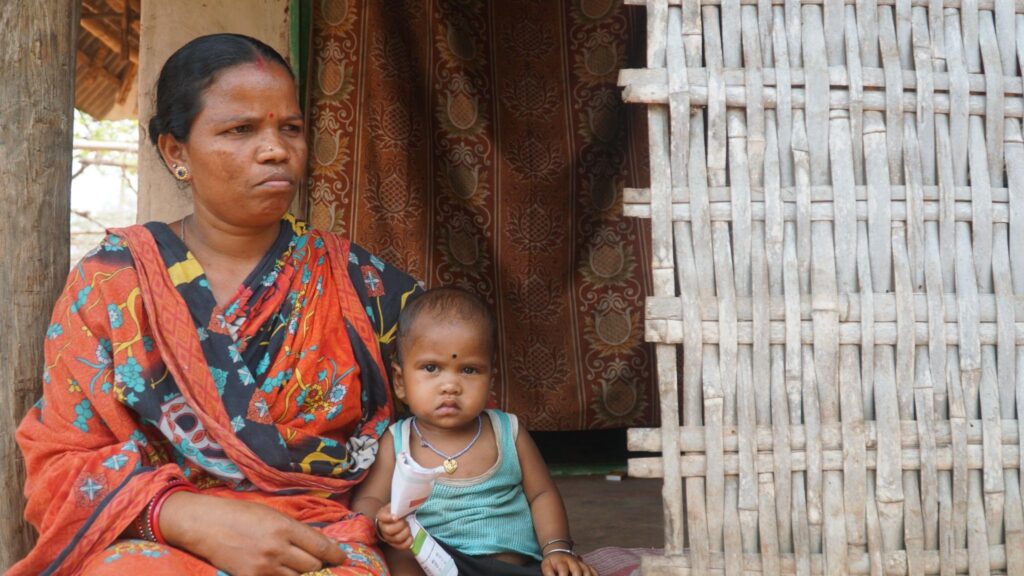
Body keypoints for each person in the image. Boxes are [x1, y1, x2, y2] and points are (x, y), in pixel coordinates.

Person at [10, 33, 421, 576]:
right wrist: (187, 517)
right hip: (163, 542)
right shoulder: (112, 283)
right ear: (175, 151)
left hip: (320, 543)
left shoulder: (361, 285)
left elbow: (445, 427)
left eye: (290, 128)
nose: (276, 149)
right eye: (241, 129)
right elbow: (63, 462)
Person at [351, 288, 597, 576]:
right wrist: (383, 522)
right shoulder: (397, 440)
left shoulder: (508, 432)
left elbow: (542, 493)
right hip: (433, 564)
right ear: (400, 381)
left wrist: (556, 550)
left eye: (468, 370)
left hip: (509, 566)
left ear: (490, 380)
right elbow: (367, 501)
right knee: (398, 555)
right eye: (431, 368)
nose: (450, 385)